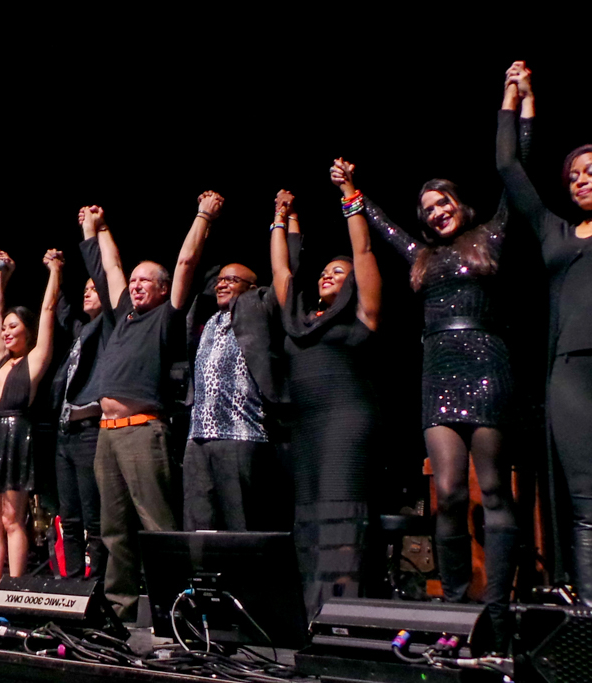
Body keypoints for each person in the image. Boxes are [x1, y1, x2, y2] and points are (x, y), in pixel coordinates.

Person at [350, 137, 521, 641]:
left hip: (486, 366)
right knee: (447, 492)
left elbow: (514, 179)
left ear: (459, 204)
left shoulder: (490, 236)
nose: (436, 212)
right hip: (438, 372)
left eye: (442, 202)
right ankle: (455, 608)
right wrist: (351, 192)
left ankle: (498, 611)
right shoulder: (422, 256)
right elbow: (383, 229)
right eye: (427, 208)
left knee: (493, 488)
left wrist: (518, 117)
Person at [497, 61, 592, 607]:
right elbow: (507, 165)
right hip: (570, 375)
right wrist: (517, 97)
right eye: (573, 176)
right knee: (588, 505)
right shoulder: (556, 232)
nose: (581, 180)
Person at [94, 190, 223, 621]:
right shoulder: (123, 317)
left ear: (163, 289)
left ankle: (177, 612)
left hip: (142, 430)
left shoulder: (166, 316)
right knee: (114, 532)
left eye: (144, 281)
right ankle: (119, 610)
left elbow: (185, 263)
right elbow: (112, 268)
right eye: (134, 281)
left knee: (157, 525)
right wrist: (102, 228)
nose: (134, 286)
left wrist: (203, 216)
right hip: (107, 435)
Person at [272, 175, 382, 620]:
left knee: (340, 515)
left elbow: (364, 251)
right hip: (305, 426)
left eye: (337, 272)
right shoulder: (298, 319)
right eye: (324, 271)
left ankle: (341, 616)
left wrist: (349, 196)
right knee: (309, 520)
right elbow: (283, 272)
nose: (326, 274)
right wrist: (280, 219)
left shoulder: (361, 315)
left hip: (345, 420)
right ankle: (310, 614)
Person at [183, 219, 288, 532]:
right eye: (220, 280)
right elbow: (192, 273)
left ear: (252, 288)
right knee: (198, 529)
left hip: (241, 435)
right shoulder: (207, 320)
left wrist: (282, 224)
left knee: (240, 527)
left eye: (232, 280)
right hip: (198, 438)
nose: (221, 284)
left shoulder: (260, 311)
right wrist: (205, 224)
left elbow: (284, 277)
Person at [0, 249, 62, 614]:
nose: (7, 331)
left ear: (28, 330)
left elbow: (48, 310)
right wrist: (1, 276)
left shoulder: (35, 359)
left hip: (17, 436)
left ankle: (14, 592)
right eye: (5, 328)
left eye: (14, 326)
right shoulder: (0, 361)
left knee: (12, 520)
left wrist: (54, 271)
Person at [48, 206, 121, 579]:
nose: (88, 292)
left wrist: (91, 234)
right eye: (86, 289)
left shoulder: (110, 326)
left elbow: (107, 281)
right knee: (70, 517)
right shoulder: (82, 331)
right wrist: (56, 273)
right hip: (65, 433)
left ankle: (98, 588)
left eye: (93, 289)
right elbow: (60, 313)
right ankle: (72, 583)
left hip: (91, 431)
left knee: (94, 516)